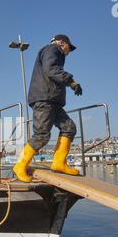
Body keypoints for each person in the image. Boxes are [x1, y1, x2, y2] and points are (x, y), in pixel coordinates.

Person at [14, 34, 82, 182]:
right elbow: (51, 69)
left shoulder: (54, 51)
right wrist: (71, 81)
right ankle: (20, 165)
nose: (68, 52)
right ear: (62, 43)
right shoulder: (52, 49)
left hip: (53, 100)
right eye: (69, 48)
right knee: (42, 135)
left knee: (69, 128)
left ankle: (58, 162)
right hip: (44, 99)